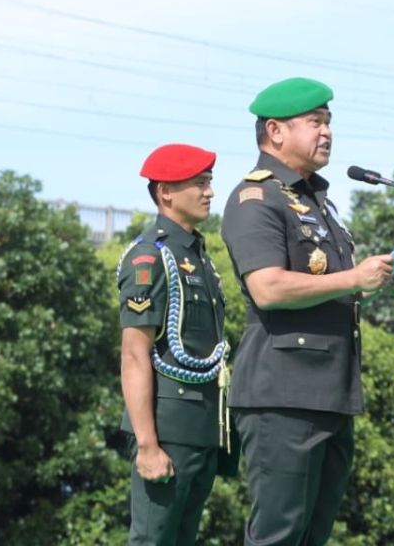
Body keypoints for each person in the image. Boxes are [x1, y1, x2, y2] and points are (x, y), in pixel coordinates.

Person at [221, 76, 394, 545]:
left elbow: (328, 291)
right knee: (278, 536)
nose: (326, 132)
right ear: (276, 131)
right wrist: (353, 278)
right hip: (283, 396)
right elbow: (267, 288)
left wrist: (375, 282)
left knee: (312, 537)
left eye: (328, 123)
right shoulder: (255, 199)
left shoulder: (317, 201)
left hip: (329, 392)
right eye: (314, 122)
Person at [117, 143, 231, 546]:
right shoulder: (150, 257)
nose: (209, 192)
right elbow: (134, 354)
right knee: (153, 539)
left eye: (209, 182)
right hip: (166, 429)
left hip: (201, 428)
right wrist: (147, 444)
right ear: (166, 191)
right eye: (199, 183)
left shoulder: (198, 255)